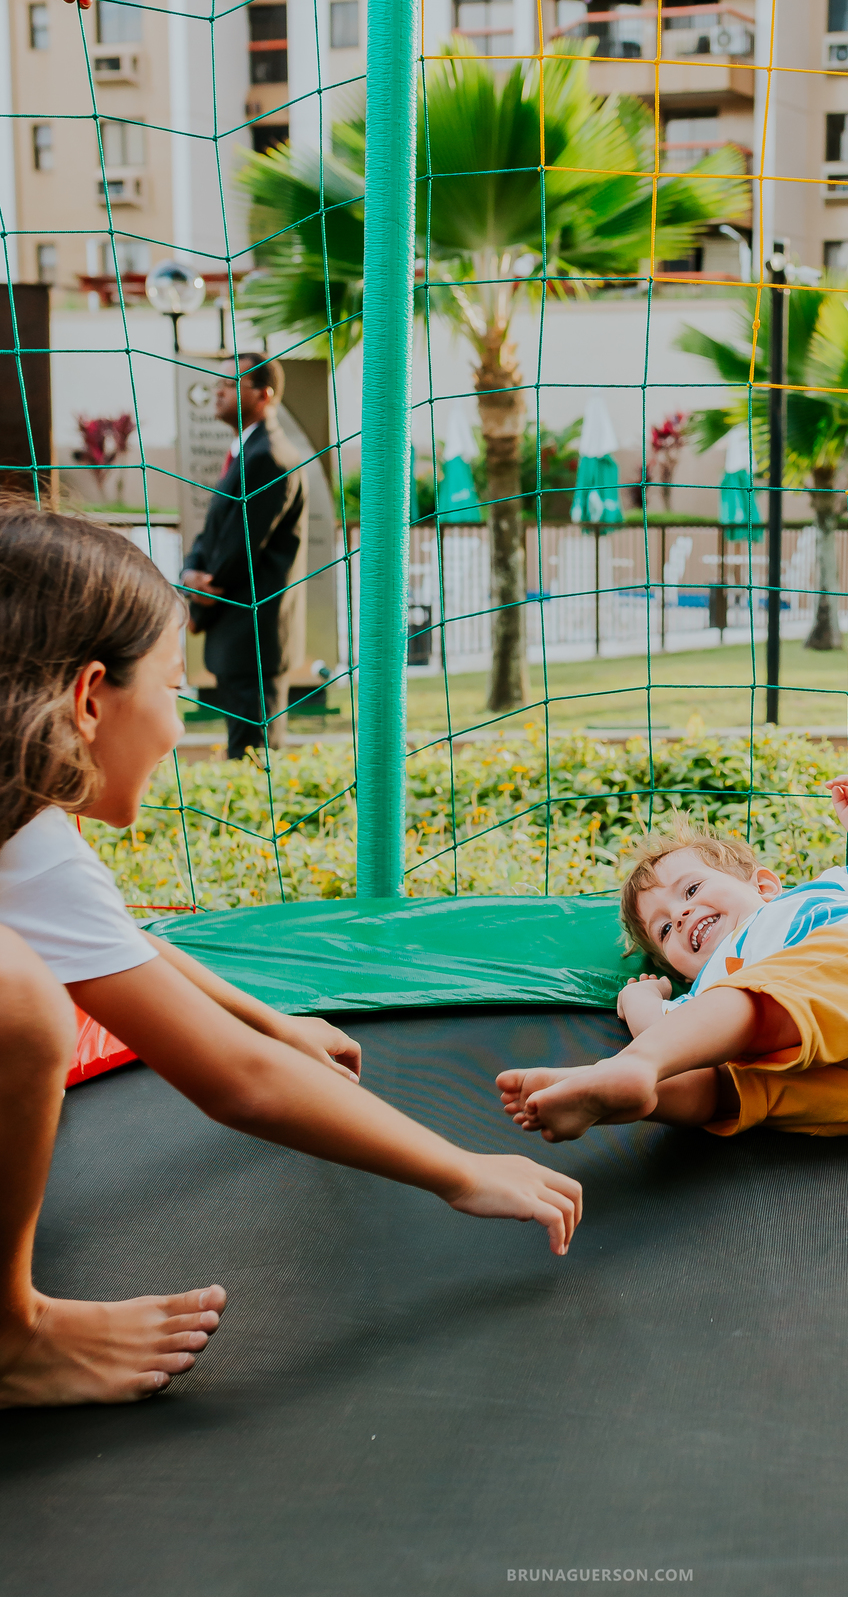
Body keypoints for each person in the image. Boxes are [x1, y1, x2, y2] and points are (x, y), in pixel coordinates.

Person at [0, 504, 582, 1409]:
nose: (183, 713)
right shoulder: (27, 845)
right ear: (86, 699)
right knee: (22, 1001)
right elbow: (238, 1083)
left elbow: (108, 935)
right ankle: (9, 1338)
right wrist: (463, 1171)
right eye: (172, 682)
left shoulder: (24, 832)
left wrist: (273, 1020)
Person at [498, 785, 848, 1143]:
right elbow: (673, 1036)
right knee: (726, 1088)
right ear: (679, 968)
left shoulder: (826, 894)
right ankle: (619, 1094)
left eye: (690, 890)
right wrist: (644, 1001)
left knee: (750, 1008)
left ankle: (625, 1070)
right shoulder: (708, 990)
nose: (682, 914)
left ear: (764, 887)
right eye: (665, 929)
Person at [182, 356, 307, 759]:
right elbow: (212, 532)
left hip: (251, 631)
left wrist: (202, 596)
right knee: (243, 751)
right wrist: (189, 573)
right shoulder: (245, 453)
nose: (218, 391)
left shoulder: (268, 456)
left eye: (231, 384)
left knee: (254, 758)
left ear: (264, 395)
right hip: (237, 634)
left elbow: (239, 546)